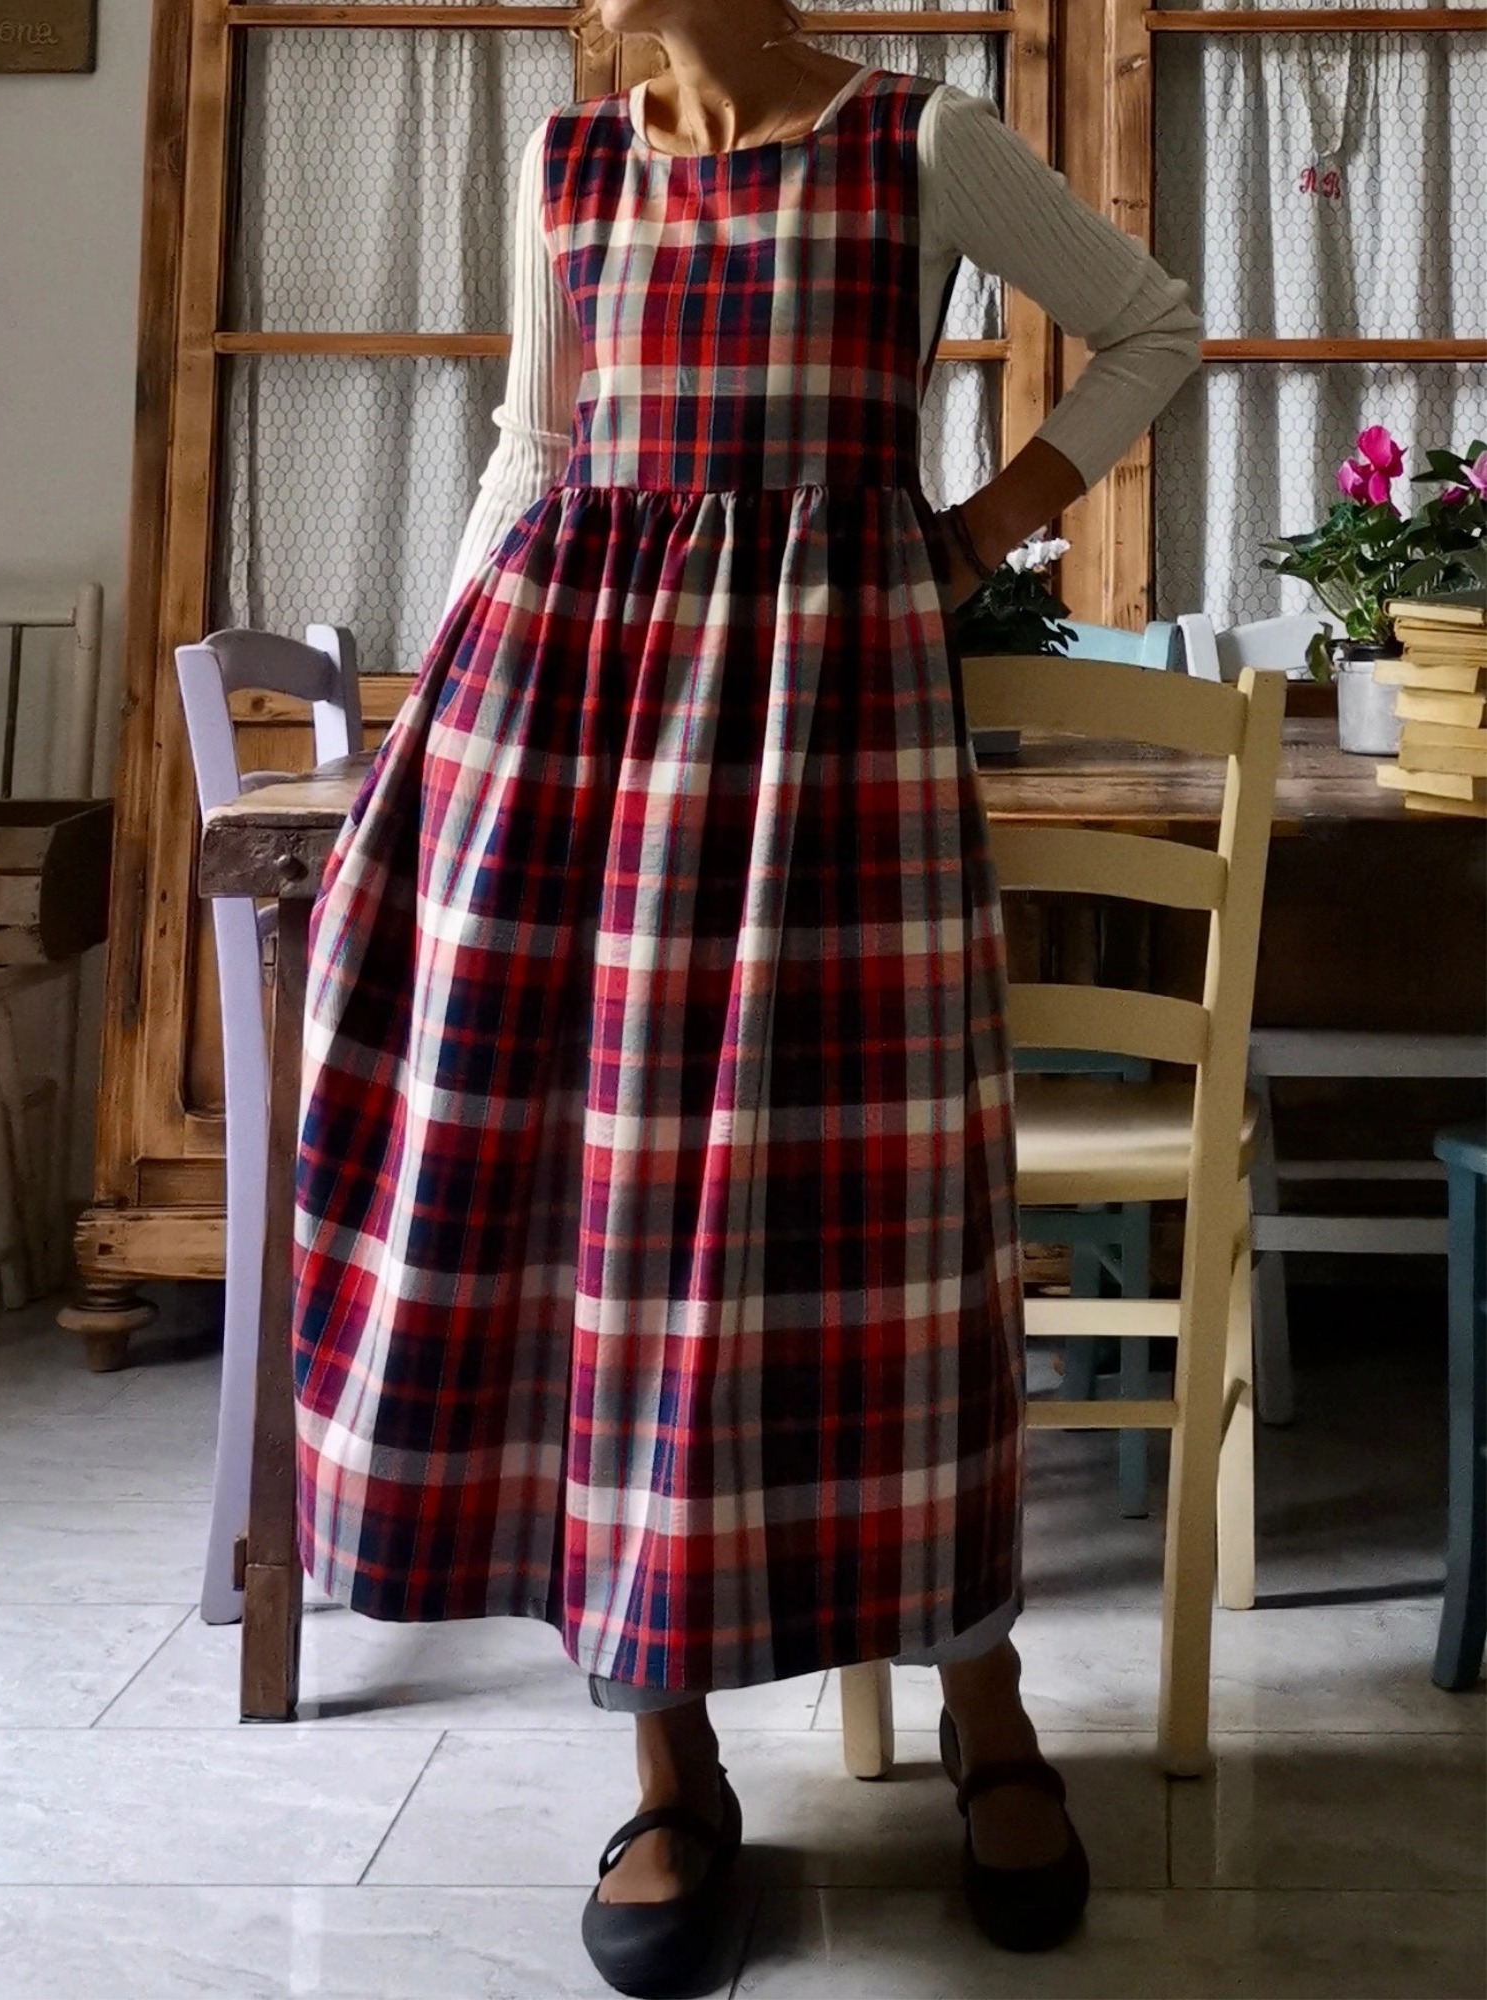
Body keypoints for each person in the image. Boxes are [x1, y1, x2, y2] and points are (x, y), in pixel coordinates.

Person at [293, 4, 1201, 1992]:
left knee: (891, 1224)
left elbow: (1153, 327)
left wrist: (971, 535)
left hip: (835, 741)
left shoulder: (917, 144)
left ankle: (984, 1706)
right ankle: (668, 1753)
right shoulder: (573, 164)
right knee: (610, 1225)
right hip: (579, 734)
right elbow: (536, 452)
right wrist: (440, 715)